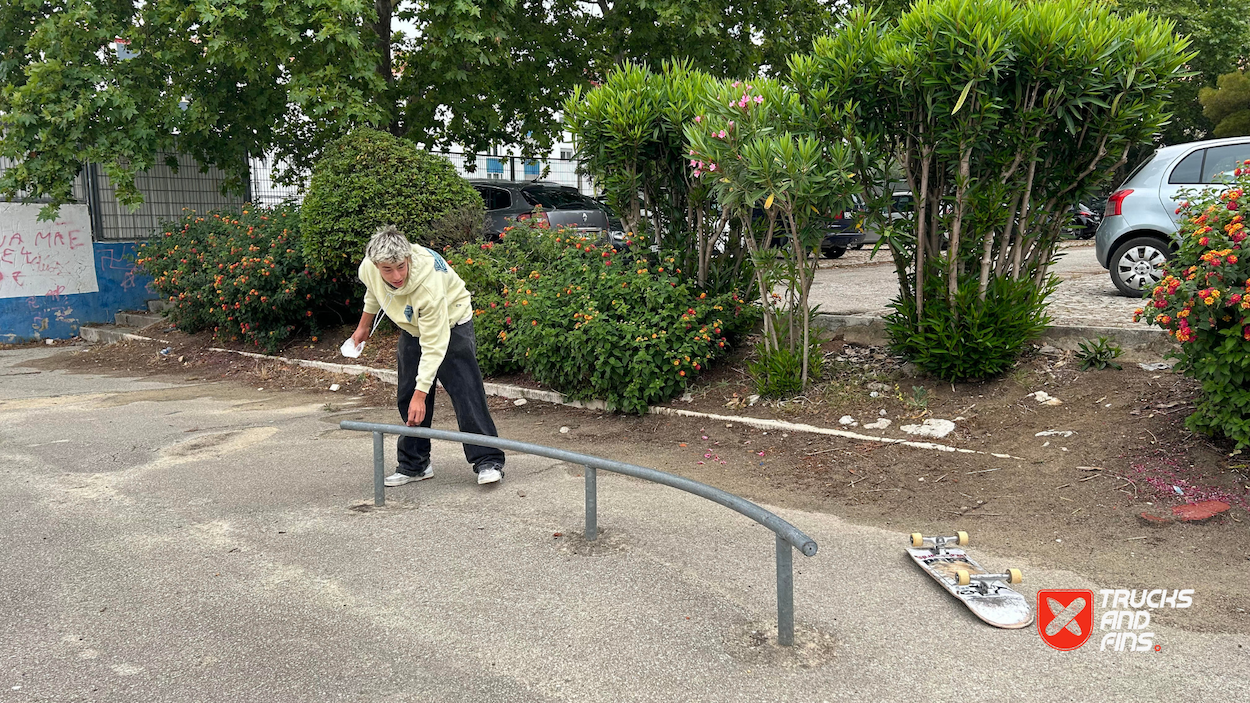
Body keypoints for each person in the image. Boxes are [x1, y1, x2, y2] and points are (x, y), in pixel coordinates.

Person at [348, 225, 506, 486]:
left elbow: (435, 344)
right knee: (407, 396)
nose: (396, 275)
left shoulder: (429, 285)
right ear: (376, 265)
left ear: (408, 258)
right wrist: (364, 325)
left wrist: (423, 395)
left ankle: (488, 460)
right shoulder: (369, 267)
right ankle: (415, 465)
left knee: (465, 392)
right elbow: (374, 291)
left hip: (452, 323)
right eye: (387, 269)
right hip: (412, 328)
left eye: (400, 266)